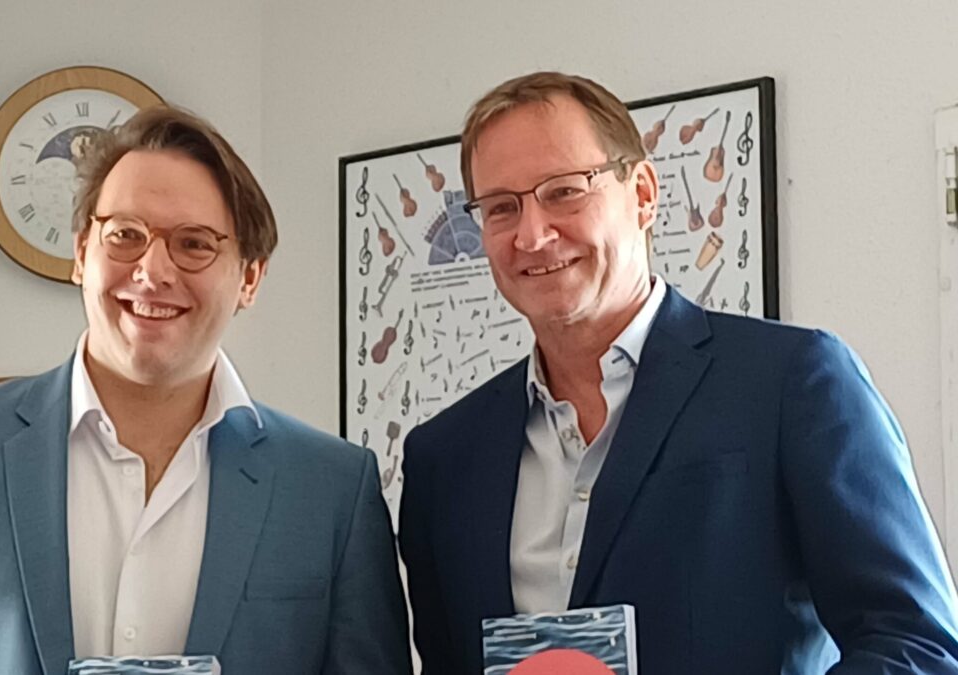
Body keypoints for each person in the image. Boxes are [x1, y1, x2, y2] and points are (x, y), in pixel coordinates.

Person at [0, 105, 410, 675]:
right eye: (125, 234)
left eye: (194, 243)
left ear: (250, 278)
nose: (152, 271)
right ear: (81, 254)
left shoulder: (332, 492)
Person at [398, 71, 958, 674]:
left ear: (642, 193)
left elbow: (915, 643)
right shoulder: (443, 458)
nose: (533, 235)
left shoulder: (791, 382)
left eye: (564, 192)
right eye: (502, 208)